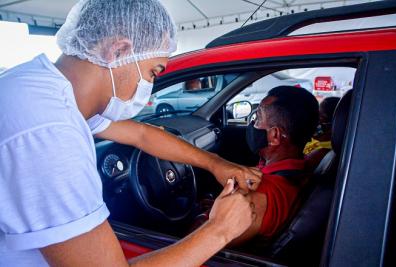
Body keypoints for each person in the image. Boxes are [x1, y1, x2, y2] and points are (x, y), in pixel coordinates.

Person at [0, 1, 262, 266]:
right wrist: (220, 230)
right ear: (119, 50)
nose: (150, 84)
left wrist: (215, 164)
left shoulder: (47, 92)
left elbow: (141, 135)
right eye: (153, 72)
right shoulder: (48, 132)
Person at [229, 85, 319, 245]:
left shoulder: (262, 192)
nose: (253, 124)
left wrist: (202, 216)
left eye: (257, 118)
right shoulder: (299, 167)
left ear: (275, 135)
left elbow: (200, 244)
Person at [303, 96, 340, 169]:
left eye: (321, 117)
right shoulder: (317, 140)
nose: (315, 121)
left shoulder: (322, 152)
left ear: (335, 125)